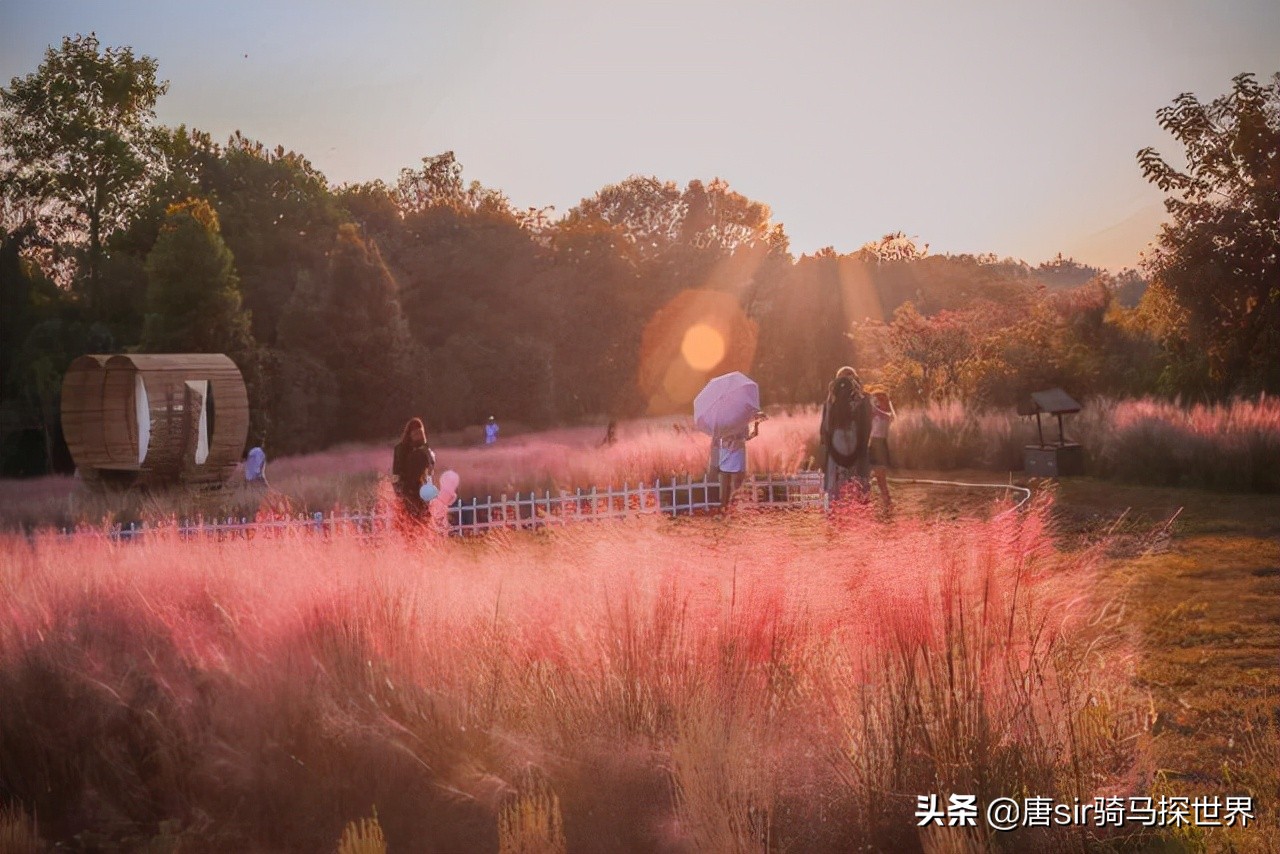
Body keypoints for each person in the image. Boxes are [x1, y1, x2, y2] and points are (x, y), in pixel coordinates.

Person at [820, 370, 871, 503]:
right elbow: (826, 423)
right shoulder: (831, 399)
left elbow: (867, 422)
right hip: (836, 445)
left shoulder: (863, 398)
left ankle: (858, 501)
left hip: (857, 443)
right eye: (842, 379)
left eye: (849, 378)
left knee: (857, 475)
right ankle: (836, 501)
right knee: (836, 475)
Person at [714, 411, 763, 509]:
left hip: (736, 457)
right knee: (725, 484)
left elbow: (750, 436)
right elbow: (721, 439)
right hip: (727, 457)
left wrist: (756, 424)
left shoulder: (742, 425)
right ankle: (725, 506)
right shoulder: (725, 426)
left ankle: (731, 506)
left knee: (734, 484)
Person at [392, 417, 436, 518]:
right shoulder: (401, 449)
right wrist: (399, 492)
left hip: (420, 491)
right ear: (410, 435)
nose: (419, 436)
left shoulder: (425, 451)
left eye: (421, 433)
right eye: (416, 434)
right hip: (406, 490)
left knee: (422, 519)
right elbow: (396, 473)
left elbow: (429, 471)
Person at [868, 389, 896, 509]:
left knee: (880, 478)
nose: (879, 403)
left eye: (881, 400)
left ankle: (887, 501)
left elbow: (874, 410)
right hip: (873, 444)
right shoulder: (879, 413)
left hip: (879, 445)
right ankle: (884, 500)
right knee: (873, 476)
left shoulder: (886, 415)